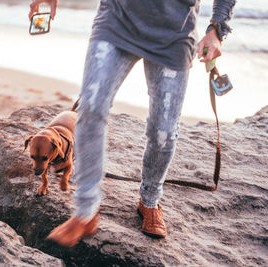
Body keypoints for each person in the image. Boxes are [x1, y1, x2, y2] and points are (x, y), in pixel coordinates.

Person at [29, 0, 236, 246]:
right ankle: (85, 211)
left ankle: (149, 200)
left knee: (164, 132)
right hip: (116, 21)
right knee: (91, 107)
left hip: (175, 34)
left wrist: (216, 29)